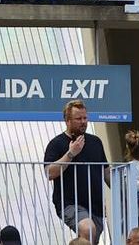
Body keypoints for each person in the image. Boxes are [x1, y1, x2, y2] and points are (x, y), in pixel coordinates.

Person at [44, 99, 110, 244]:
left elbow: (106, 172)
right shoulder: (57, 143)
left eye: (85, 118)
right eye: (78, 118)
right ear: (67, 121)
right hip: (69, 203)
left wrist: (126, 190)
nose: (83, 122)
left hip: (96, 205)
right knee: (88, 229)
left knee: (91, 239)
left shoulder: (95, 142)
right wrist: (71, 153)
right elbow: (50, 173)